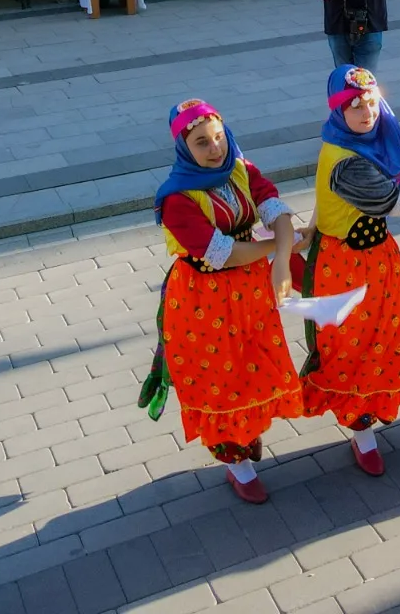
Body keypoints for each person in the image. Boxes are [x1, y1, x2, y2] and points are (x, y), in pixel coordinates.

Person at [301, 66, 400, 475]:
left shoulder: (348, 140)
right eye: (353, 105)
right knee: (354, 347)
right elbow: (399, 203)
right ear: (338, 109)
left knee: (384, 336)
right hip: (347, 267)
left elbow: (325, 194)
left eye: (371, 101)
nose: (366, 112)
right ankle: (360, 428)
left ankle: (372, 406)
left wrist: (313, 220)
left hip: (376, 259)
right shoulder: (346, 161)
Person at [140, 100, 302, 504]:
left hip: (250, 290)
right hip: (204, 300)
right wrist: (277, 249)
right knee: (220, 379)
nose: (215, 149)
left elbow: (277, 212)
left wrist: (282, 257)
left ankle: (244, 430)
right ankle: (235, 459)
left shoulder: (241, 170)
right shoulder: (177, 199)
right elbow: (225, 252)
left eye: (218, 137)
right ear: (183, 147)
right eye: (201, 143)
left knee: (254, 363)